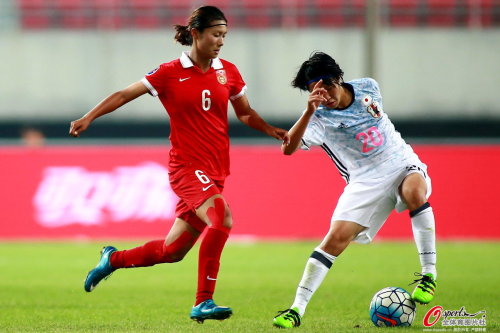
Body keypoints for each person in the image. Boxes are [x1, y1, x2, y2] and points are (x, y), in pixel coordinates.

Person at [69, 6, 288, 323]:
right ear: (196, 34)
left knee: (173, 252)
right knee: (222, 218)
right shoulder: (170, 72)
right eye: (216, 34)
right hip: (186, 168)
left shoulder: (228, 71)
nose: (221, 41)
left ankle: (112, 259)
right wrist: (89, 117)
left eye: (224, 35)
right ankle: (204, 301)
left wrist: (270, 130)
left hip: (216, 169)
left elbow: (244, 113)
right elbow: (123, 94)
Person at [272, 52, 437, 328]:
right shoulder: (318, 119)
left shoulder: (368, 87)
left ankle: (428, 275)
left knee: (414, 192)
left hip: (400, 161)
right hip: (364, 180)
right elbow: (287, 148)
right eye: (316, 92)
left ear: (337, 78)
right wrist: (309, 111)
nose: (324, 97)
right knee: (334, 240)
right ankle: (296, 310)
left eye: (327, 88)